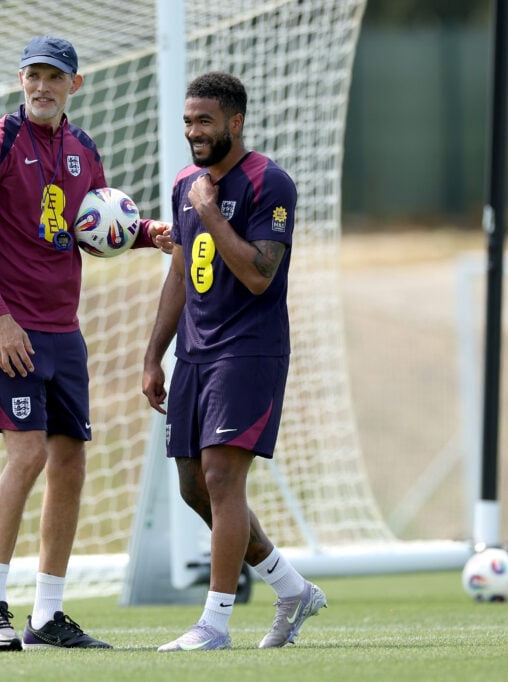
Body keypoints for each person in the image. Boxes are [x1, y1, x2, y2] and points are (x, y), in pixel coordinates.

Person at [0, 35, 171, 651]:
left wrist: (149, 233)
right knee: (27, 454)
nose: (42, 86)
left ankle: (47, 615)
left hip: (63, 329)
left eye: (54, 77)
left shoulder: (83, 149)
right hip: (8, 327)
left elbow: (93, 230)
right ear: (20, 79)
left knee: (70, 462)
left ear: (75, 84)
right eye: (33, 75)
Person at [141, 71, 327, 652]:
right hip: (194, 355)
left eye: (205, 121)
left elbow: (258, 274)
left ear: (235, 122)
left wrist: (211, 212)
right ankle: (292, 589)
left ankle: (214, 625)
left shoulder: (270, 183)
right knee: (194, 488)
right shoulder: (185, 183)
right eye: (188, 121)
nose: (194, 131)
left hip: (249, 350)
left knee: (223, 478)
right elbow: (179, 274)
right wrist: (153, 356)